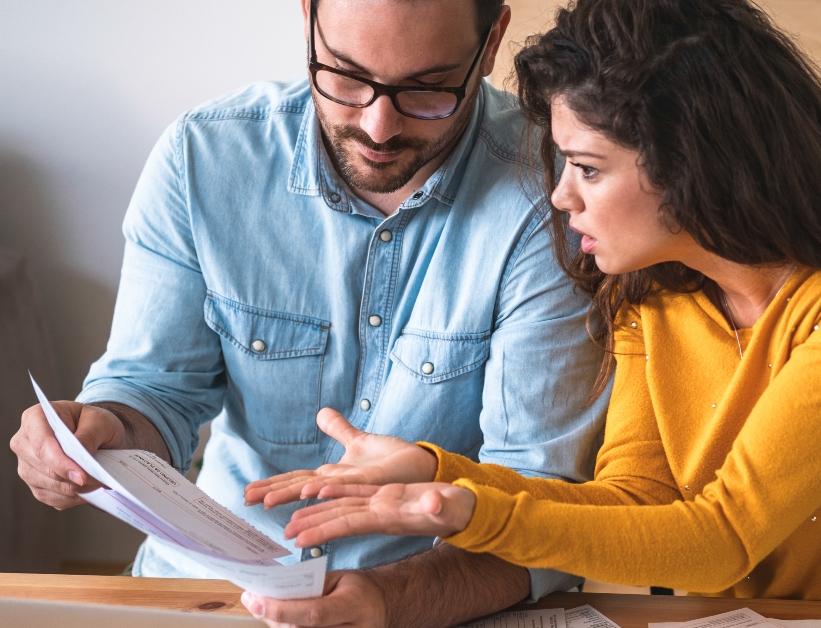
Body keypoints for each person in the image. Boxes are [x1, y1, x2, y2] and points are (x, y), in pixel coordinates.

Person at [251, 0, 821, 608]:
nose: (561, 196)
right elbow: (636, 501)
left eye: (589, 168)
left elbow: (720, 538)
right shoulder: (656, 295)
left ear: (694, 164)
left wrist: (464, 512)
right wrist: (439, 472)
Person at [8, 0, 610, 626]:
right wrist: (103, 432)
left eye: (427, 89)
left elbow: (542, 503)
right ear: (306, 19)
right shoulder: (204, 157)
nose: (378, 127)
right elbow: (156, 390)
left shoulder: (557, 193)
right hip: (210, 589)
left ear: (492, 43)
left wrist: (391, 600)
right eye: (346, 77)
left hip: (435, 601)